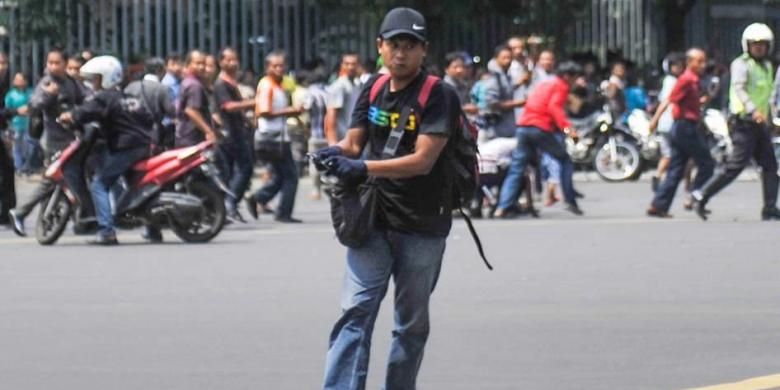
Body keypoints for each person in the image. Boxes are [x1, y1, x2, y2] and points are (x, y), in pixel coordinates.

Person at [316, 7, 461, 389]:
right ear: (379, 46)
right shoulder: (374, 87)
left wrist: (363, 169)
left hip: (422, 224)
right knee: (355, 312)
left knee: (409, 326)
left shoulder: (439, 94)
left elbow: (423, 161)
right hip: (373, 218)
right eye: (394, 45)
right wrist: (335, 153)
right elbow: (354, 142)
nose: (401, 53)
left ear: (423, 50)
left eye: (410, 46)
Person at [59, 56, 155, 245]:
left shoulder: (104, 97)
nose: (93, 83)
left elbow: (85, 111)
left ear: (107, 78)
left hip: (126, 148)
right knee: (136, 186)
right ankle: (153, 228)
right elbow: (148, 117)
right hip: (143, 145)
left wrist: (70, 116)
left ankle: (106, 231)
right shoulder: (127, 97)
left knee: (99, 184)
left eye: (95, 78)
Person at [692, 24, 780, 221]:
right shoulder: (741, 64)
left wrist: (771, 117)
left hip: (760, 124)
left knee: (770, 166)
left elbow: (769, 95)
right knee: (735, 166)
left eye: (763, 45)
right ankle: (701, 194)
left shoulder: (767, 66)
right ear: (746, 45)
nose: (759, 48)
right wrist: (753, 110)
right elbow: (740, 89)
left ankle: (770, 207)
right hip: (743, 123)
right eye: (755, 44)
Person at [10, 48, 91, 237]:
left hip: (72, 140)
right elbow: (34, 105)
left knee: (66, 179)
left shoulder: (70, 82)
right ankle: (22, 212)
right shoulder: (47, 83)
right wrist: (48, 95)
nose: (53, 66)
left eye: (57, 63)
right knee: (55, 179)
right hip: (53, 142)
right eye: (50, 62)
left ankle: (65, 218)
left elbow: (85, 98)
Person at [494, 61, 585, 218]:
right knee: (565, 160)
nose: (575, 81)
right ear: (567, 76)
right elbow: (554, 108)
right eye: (574, 77)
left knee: (517, 168)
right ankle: (570, 200)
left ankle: (502, 207)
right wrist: (569, 131)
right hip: (539, 128)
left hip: (523, 126)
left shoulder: (544, 84)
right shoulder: (561, 86)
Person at [645, 48, 714, 218]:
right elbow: (669, 99)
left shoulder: (695, 81)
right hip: (684, 128)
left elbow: (691, 103)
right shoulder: (686, 79)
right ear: (689, 62)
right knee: (707, 164)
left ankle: (658, 205)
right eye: (699, 61)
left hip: (684, 127)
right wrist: (655, 120)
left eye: (704, 61)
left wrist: (702, 100)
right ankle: (695, 196)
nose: (703, 65)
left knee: (676, 170)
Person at [245, 51, 303, 223]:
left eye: (281, 65)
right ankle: (283, 212)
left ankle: (259, 198)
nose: (279, 69)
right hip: (272, 137)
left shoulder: (279, 85)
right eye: (275, 66)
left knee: (280, 175)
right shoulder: (267, 85)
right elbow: (263, 111)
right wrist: (290, 111)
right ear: (267, 68)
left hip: (278, 136)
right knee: (291, 176)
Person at [123, 57, 175, 242]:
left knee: (135, 181)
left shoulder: (130, 88)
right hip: (152, 141)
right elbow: (171, 112)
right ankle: (152, 226)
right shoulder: (161, 90)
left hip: (129, 140)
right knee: (152, 182)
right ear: (161, 71)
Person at [213, 47, 255, 222]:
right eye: (229, 60)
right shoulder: (221, 84)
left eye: (235, 59)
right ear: (221, 62)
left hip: (237, 130)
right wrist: (253, 103)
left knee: (232, 171)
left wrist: (246, 119)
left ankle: (227, 206)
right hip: (230, 133)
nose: (233, 63)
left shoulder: (231, 82)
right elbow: (228, 106)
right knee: (245, 167)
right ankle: (230, 203)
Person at [650, 51, 686, 191]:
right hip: (671, 123)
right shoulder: (671, 82)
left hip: (668, 123)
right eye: (676, 66)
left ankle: (659, 177)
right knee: (672, 154)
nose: (680, 68)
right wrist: (655, 119)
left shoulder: (671, 81)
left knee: (669, 154)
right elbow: (666, 101)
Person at [175, 50, 219, 147]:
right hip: (192, 138)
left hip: (183, 135)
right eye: (197, 64)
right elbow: (191, 110)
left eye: (203, 64)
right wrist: (209, 131)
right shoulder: (194, 86)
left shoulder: (187, 82)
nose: (201, 67)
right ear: (188, 64)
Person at [483, 45, 525, 139]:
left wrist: (519, 83)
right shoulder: (493, 76)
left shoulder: (505, 75)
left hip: (508, 127)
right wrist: (518, 103)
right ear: (496, 59)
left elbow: (506, 89)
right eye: (504, 58)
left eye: (510, 58)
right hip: (496, 130)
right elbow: (493, 104)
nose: (507, 61)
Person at [324, 53, 361, 145]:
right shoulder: (339, 86)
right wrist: (332, 144)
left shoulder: (358, 85)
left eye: (353, 64)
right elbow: (331, 116)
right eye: (347, 64)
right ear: (342, 65)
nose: (350, 67)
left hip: (355, 141)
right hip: (343, 141)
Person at [5, 73, 32, 173]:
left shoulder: (30, 92)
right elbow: (7, 110)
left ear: (26, 81)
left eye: (21, 79)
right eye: (16, 79)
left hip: (28, 124)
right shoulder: (10, 94)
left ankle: (27, 166)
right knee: (17, 147)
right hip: (15, 124)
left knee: (28, 146)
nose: (18, 81)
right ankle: (19, 167)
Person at [161, 53, 183, 148]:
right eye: (173, 64)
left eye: (179, 64)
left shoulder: (179, 81)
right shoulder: (167, 84)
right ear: (166, 67)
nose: (177, 67)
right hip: (170, 125)